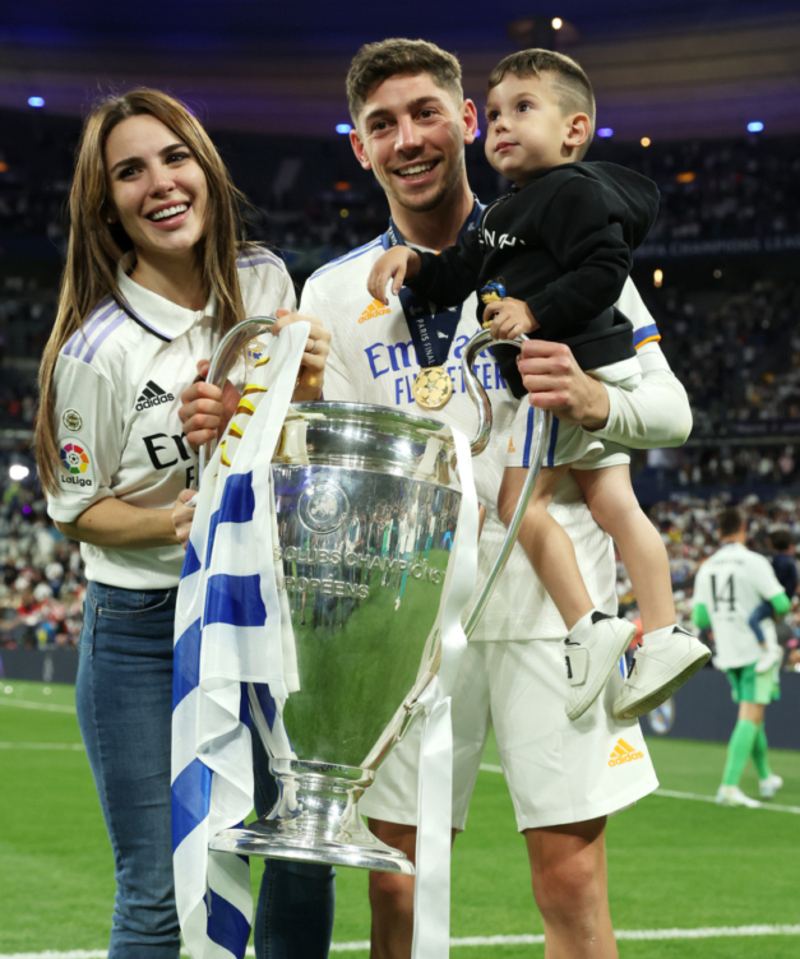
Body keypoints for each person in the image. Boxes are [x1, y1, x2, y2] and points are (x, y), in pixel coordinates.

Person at [296, 38, 693, 959]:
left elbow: (669, 409)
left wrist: (599, 401)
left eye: (427, 112)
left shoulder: (572, 240)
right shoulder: (333, 292)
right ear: (360, 148)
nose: (408, 139)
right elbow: (327, 469)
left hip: (556, 620)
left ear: (468, 121)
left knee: (571, 882)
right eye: (381, 125)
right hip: (409, 621)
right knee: (395, 885)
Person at [34, 88, 332, 959]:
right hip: (141, 632)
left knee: (299, 854)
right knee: (160, 892)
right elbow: (80, 512)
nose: (160, 183)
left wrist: (301, 393)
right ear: (107, 207)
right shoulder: (97, 351)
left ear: (206, 167)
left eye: (175, 157)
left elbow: (295, 448)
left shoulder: (268, 281)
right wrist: (179, 517)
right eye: (130, 171)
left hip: (259, 611)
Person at [366, 48, 710, 722]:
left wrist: (535, 312)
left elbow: (607, 265)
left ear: (574, 131)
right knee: (610, 501)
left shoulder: (573, 191)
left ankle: (606, 627)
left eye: (523, 108)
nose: (501, 124)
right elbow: (455, 272)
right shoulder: (504, 215)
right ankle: (652, 632)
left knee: (527, 502)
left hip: (571, 368)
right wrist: (414, 261)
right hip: (567, 371)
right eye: (494, 113)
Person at [691, 506, 791, 807]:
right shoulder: (754, 562)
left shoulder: (707, 567)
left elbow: (700, 616)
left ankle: (765, 777)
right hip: (756, 651)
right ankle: (729, 786)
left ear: (719, 533)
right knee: (751, 716)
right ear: (744, 528)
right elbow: (782, 603)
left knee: (752, 715)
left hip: (728, 653)